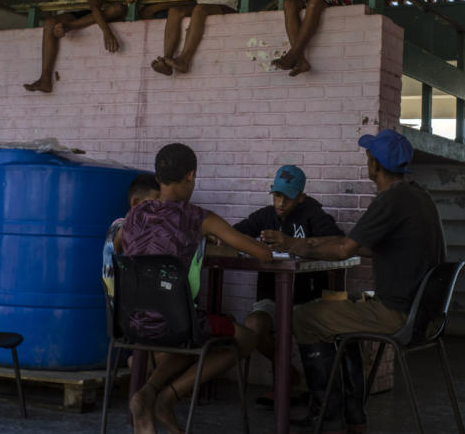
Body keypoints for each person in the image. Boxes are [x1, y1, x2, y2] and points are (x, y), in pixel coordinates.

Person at [264, 129, 444, 434]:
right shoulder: (418, 197)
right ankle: (353, 417)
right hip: (425, 314)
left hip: (397, 314)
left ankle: (328, 418)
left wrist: (291, 243)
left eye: (369, 156)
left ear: (374, 164)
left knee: (304, 317)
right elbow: (361, 245)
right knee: (335, 318)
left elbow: (346, 249)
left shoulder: (390, 200)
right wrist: (314, 243)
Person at [122, 143, 273, 434]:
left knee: (189, 333)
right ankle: (168, 397)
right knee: (245, 338)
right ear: (190, 176)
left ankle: (148, 393)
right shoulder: (199, 217)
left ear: (158, 177)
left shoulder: (134, 216)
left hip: (131, 322)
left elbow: (119, 253)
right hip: (178, 324)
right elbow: (262, 254)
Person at [232, 165, 344, 406]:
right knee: (253, 326)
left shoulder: (314, 215)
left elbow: (339, 242)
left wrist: (296, 244)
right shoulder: (264, 217)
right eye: (277, 195)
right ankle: (286, 375)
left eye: (287, 198)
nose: (280, 203)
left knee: (311, 328)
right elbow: (235, 234)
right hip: (271, 296)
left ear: (301, 197)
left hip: (308, 299)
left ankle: (318, 397)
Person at [24, 0, 128, 92]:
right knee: (49, 23)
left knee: (118, 9)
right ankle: (45, 78)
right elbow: (94, 7)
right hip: (94, 12)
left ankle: (70, 26)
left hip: (113, 12)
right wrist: (107, 32)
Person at [101, 173, 160, 300]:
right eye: (155, 204)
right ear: (136, 203)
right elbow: (119, 243)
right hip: (124, 310)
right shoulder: (118, 226)